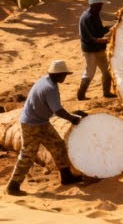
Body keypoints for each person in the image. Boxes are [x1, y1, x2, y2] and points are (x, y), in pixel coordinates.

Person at [7, 61, 83, 196]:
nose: (65, 77)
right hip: (31, 124)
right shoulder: (50, 88)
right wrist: (73, 118)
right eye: (64, 74)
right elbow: (58, 111)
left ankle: (66, 176)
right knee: (28, 154)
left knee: (58, 144)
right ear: (58, 74)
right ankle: (13, 186)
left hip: (40, 121)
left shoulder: (46, 81)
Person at [77, 0, 113, 100]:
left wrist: (111, 26)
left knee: (107, 71)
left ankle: (106, 92)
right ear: (92, 5)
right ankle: (81, 95)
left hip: (99, 48)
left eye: (101, 5)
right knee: (90, 72)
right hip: (90, 50)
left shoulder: (95, 14)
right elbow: (90, 38)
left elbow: (100, 31)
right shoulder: (86, 18)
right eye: (99, 5)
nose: (100, 8)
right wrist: (107, 40)